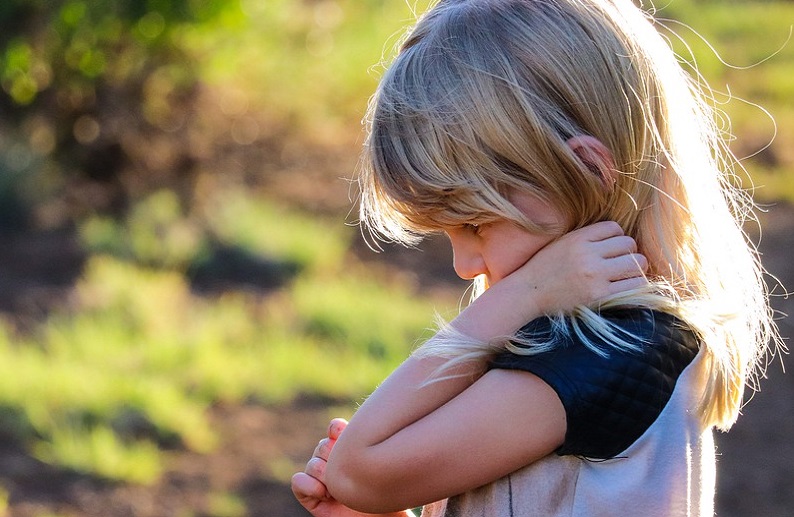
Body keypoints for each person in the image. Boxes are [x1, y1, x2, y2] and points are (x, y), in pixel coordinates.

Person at [291, 0, 780, 515]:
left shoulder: (608, 352)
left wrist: (516, 297)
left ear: (589, 168)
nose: (464, 265)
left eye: (476, 224)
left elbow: (358, 468)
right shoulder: (565, 336)